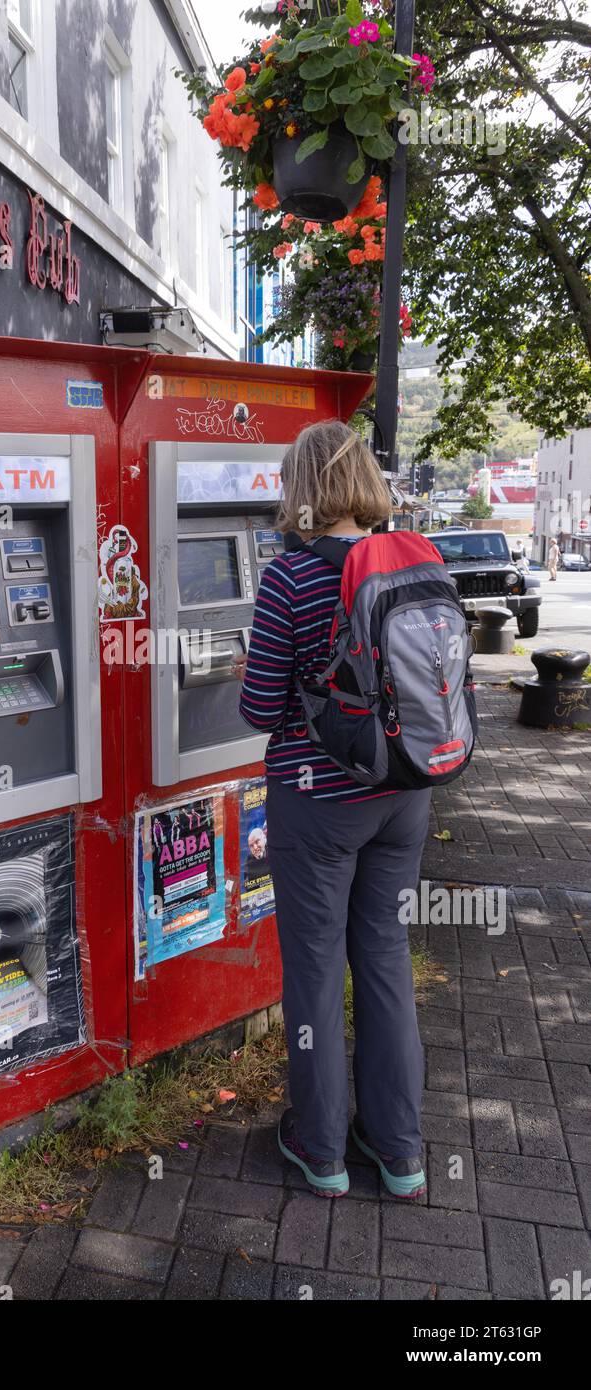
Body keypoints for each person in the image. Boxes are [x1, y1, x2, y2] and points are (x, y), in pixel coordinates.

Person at [238, 419, 430, 1201]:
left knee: (315, 973)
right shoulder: (414, 560)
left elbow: (258, 708)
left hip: (318, 806)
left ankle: (318, 1151)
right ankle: (400, 1152)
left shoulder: (290, 578)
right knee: (384, 964)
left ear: (301, 487)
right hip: (403, 796)